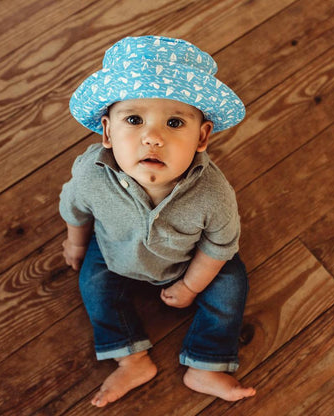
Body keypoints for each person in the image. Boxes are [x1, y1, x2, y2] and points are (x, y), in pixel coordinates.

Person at [59, 35, 256, 408]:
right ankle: (131, 360)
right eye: (134, 120)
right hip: (115, 250)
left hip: (186, 260)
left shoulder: (213, 193)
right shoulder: (90, 174)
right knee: (93, 285)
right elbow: (75, 208)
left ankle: (206, 364)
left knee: (231, 285)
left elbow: (219, 244)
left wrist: (191, 286)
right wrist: (76, 243)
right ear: (107, 131)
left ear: (202, 137)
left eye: (174, 122)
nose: (152, 137)